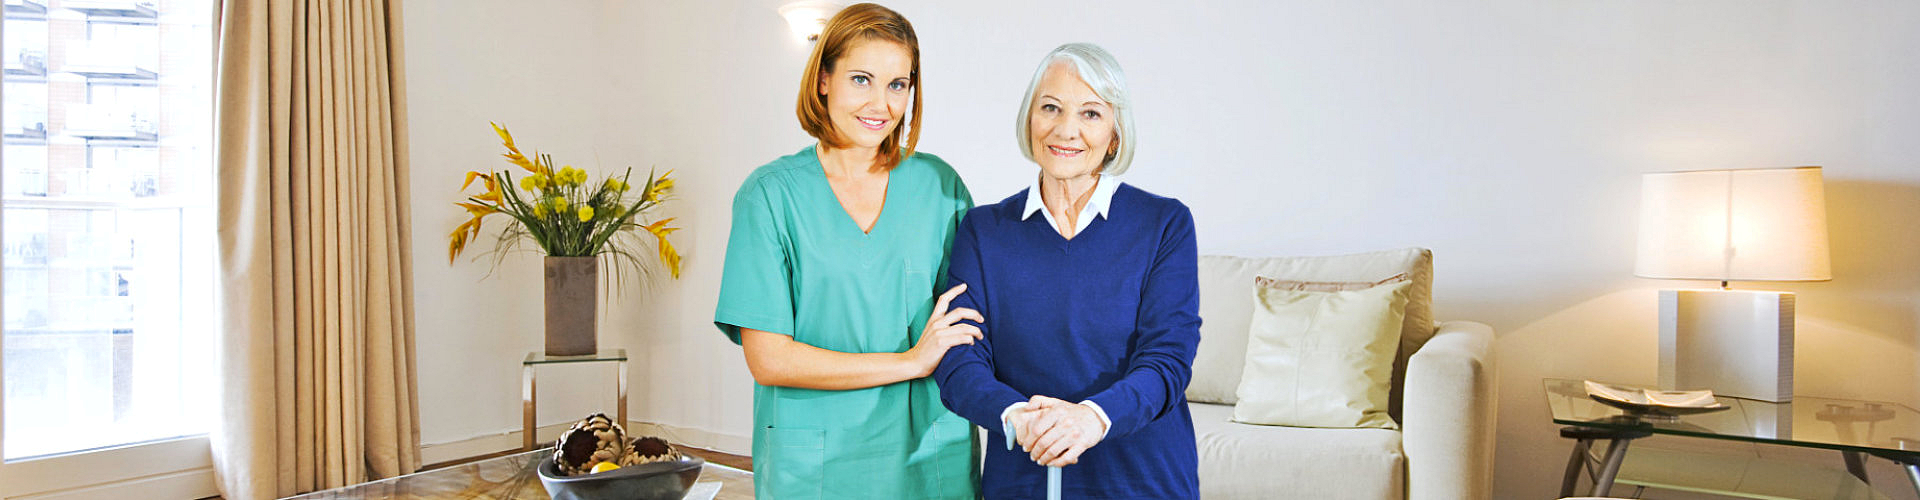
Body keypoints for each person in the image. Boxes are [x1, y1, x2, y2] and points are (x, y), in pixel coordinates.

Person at [713, 4, 980, 498]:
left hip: (927, 452)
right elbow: (770, 359)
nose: (881, 103)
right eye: (862, 79)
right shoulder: (770, 195)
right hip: (815, 463)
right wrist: (910, 362)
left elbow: (977, 321)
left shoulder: (940, 187)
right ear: (823, 80)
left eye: (897, 84)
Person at [933, 42, 1201, 499]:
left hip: (1143, 478)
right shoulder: (983, 231)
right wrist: (1018, 417)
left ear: (1115, 134)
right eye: (1051, 108)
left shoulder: (1165, 224)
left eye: (1091, 114)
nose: (1066, 129)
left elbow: (1168, 359)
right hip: (1023, 478)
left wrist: (1090, 419)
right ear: (1030, 120)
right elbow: (959, 360)